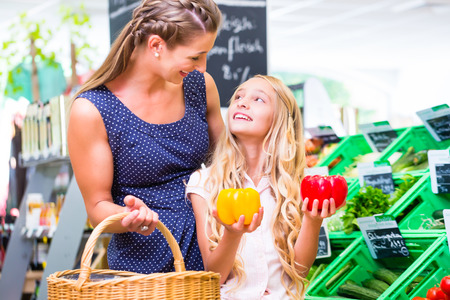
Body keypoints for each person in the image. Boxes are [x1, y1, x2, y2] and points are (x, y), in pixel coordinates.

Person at [67, 0, 224, 274]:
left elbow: (228, 161)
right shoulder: (92, 110)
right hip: (144, 267)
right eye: (196, 56)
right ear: (156, 46)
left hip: (213, 256)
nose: (202, 67)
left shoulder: (201, 86)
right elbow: (96, 207)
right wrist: (131, 217)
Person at [186, 75, 343, 299]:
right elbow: (214, 276)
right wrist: (232, 235)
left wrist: (313, 220)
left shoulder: (297, 184)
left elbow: (299, 271)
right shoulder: (205, 182)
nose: (241, 102)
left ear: (280, 119)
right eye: (238, 96)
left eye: (258, 99)